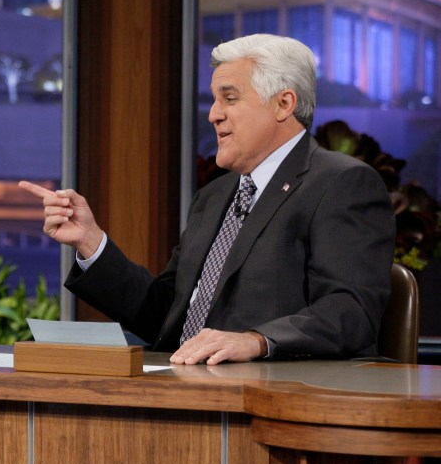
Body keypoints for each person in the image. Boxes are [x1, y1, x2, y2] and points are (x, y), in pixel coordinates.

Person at [21, 34, 395, 365]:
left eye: (229, 98)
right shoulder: (214, 196)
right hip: (182, 384)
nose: (214, 115)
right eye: (215, 100)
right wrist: (91, 242)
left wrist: (256, 341)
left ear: (283, 104)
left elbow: (351, 311)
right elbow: (165, 316)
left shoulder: (342, 183)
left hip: (271, 395)